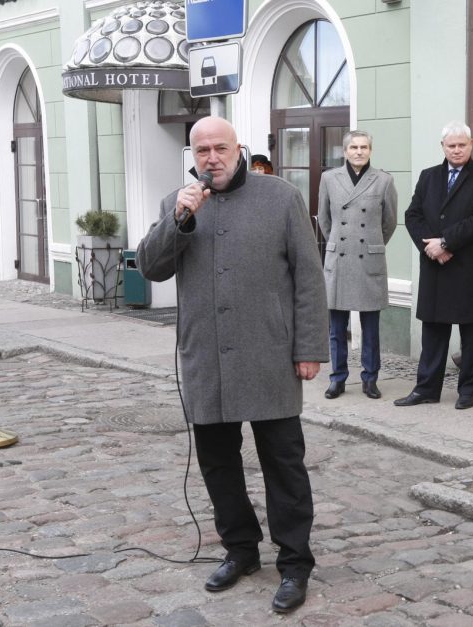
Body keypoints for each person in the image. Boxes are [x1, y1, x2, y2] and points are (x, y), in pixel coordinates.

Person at [137, 116, 328, 614]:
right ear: (193, 156)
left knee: (283, 465)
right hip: (207, 361)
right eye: (202, 151)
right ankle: (240, 549)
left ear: (238, 148)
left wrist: (309, 348)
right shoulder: (176, 204)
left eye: (220, 148)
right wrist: (177, 221)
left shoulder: (280, 197)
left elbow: (309, 279)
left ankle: (294, 563)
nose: (211, 158)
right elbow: (152, 266)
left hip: (269, 355)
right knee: (218, 466)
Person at [396, 121, 473, 410]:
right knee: (433, 332)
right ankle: (426, 388)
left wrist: (445, 243)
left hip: (470, 267)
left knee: (471, 333)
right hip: (436, 267)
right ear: (442, 147)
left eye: (461, 145)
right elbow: (412, 214)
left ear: (471, 144)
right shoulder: (429, 176)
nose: (456, 150)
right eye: (451, 145)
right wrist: (430, 248)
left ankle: (468, 391)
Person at [318, 130, 398, 400]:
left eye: (364, 147)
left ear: (370, 151)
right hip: (339, 258)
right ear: (345, 151)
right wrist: (340, 244)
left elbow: (389, 223)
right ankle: (337, 379)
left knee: (371, 328)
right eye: (354, 147)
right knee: (336, 329)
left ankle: (370, 379)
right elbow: (325, 220)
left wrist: (371, 244)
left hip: (369, 258)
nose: (359, 151)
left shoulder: (384, 180)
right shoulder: (329, 178)